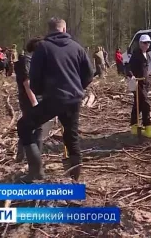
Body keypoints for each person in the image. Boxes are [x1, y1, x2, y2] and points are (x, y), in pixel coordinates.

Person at [16, 17, 93, 182]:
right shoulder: (77, 47)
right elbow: (89, 74)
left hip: (53, 98)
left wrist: (42, 92)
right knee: (71, 135)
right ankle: (74, 179)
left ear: (49, 30)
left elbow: (34, 78)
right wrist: (78, 88)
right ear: (64, 29)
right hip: (73, 99)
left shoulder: (43, 48)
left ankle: (36, 171)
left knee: (24, 126)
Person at [14, 37, 52, 163]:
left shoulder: (36, 62)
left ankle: (23, 156)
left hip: (38, 98)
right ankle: (34, 160)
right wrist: (35, 102)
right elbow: (27, 83)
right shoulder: (26, 61)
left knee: (29, 127)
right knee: (37, 128)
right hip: (30, 100)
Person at [127, 34, 151, 138]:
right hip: (138, 83)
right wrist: (132, 75)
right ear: (140, 43)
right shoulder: (136, 54)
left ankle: (134, 126)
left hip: (145, 83)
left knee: (137, 104)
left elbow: (147, 68)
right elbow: (128, 67)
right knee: (146, 104)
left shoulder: (147, 55)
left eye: (148, 43)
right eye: (144, 43)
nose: (146, 45)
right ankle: (147, 127)